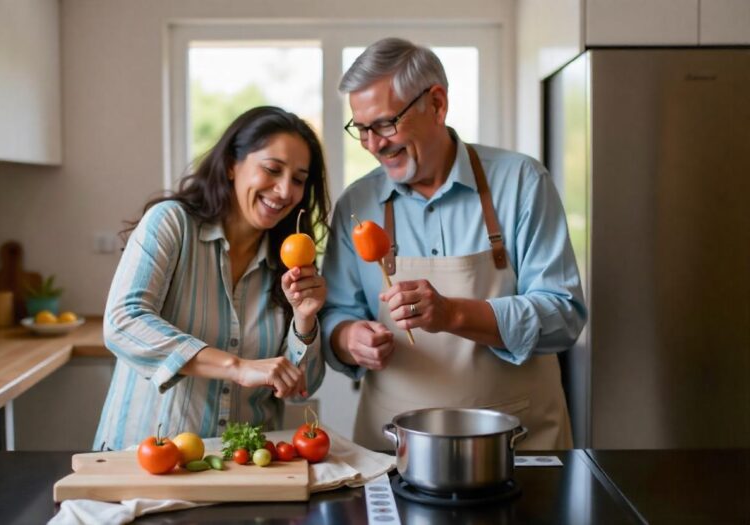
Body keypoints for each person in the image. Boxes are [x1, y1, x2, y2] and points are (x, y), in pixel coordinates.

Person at [321, 38, 587, 450]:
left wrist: (453, 314)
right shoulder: (357, 204)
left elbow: (563, 315)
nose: (373, 144)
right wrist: (347, 336)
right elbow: (334, 314)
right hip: (394, 449)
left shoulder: (521, 183)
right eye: (362, 129)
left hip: (517, 444)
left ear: (437, 104)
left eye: (385, 124)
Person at [94, 106, 330, 451]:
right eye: (272, 169)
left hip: (243, 467)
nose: (283, 191)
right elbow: (122, 323)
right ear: (232, 165)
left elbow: (301, 387)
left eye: (298, 179)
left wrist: (304, 321)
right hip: (144, 461)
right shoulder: (173, 223)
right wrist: (236, 367)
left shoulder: (291, 262)